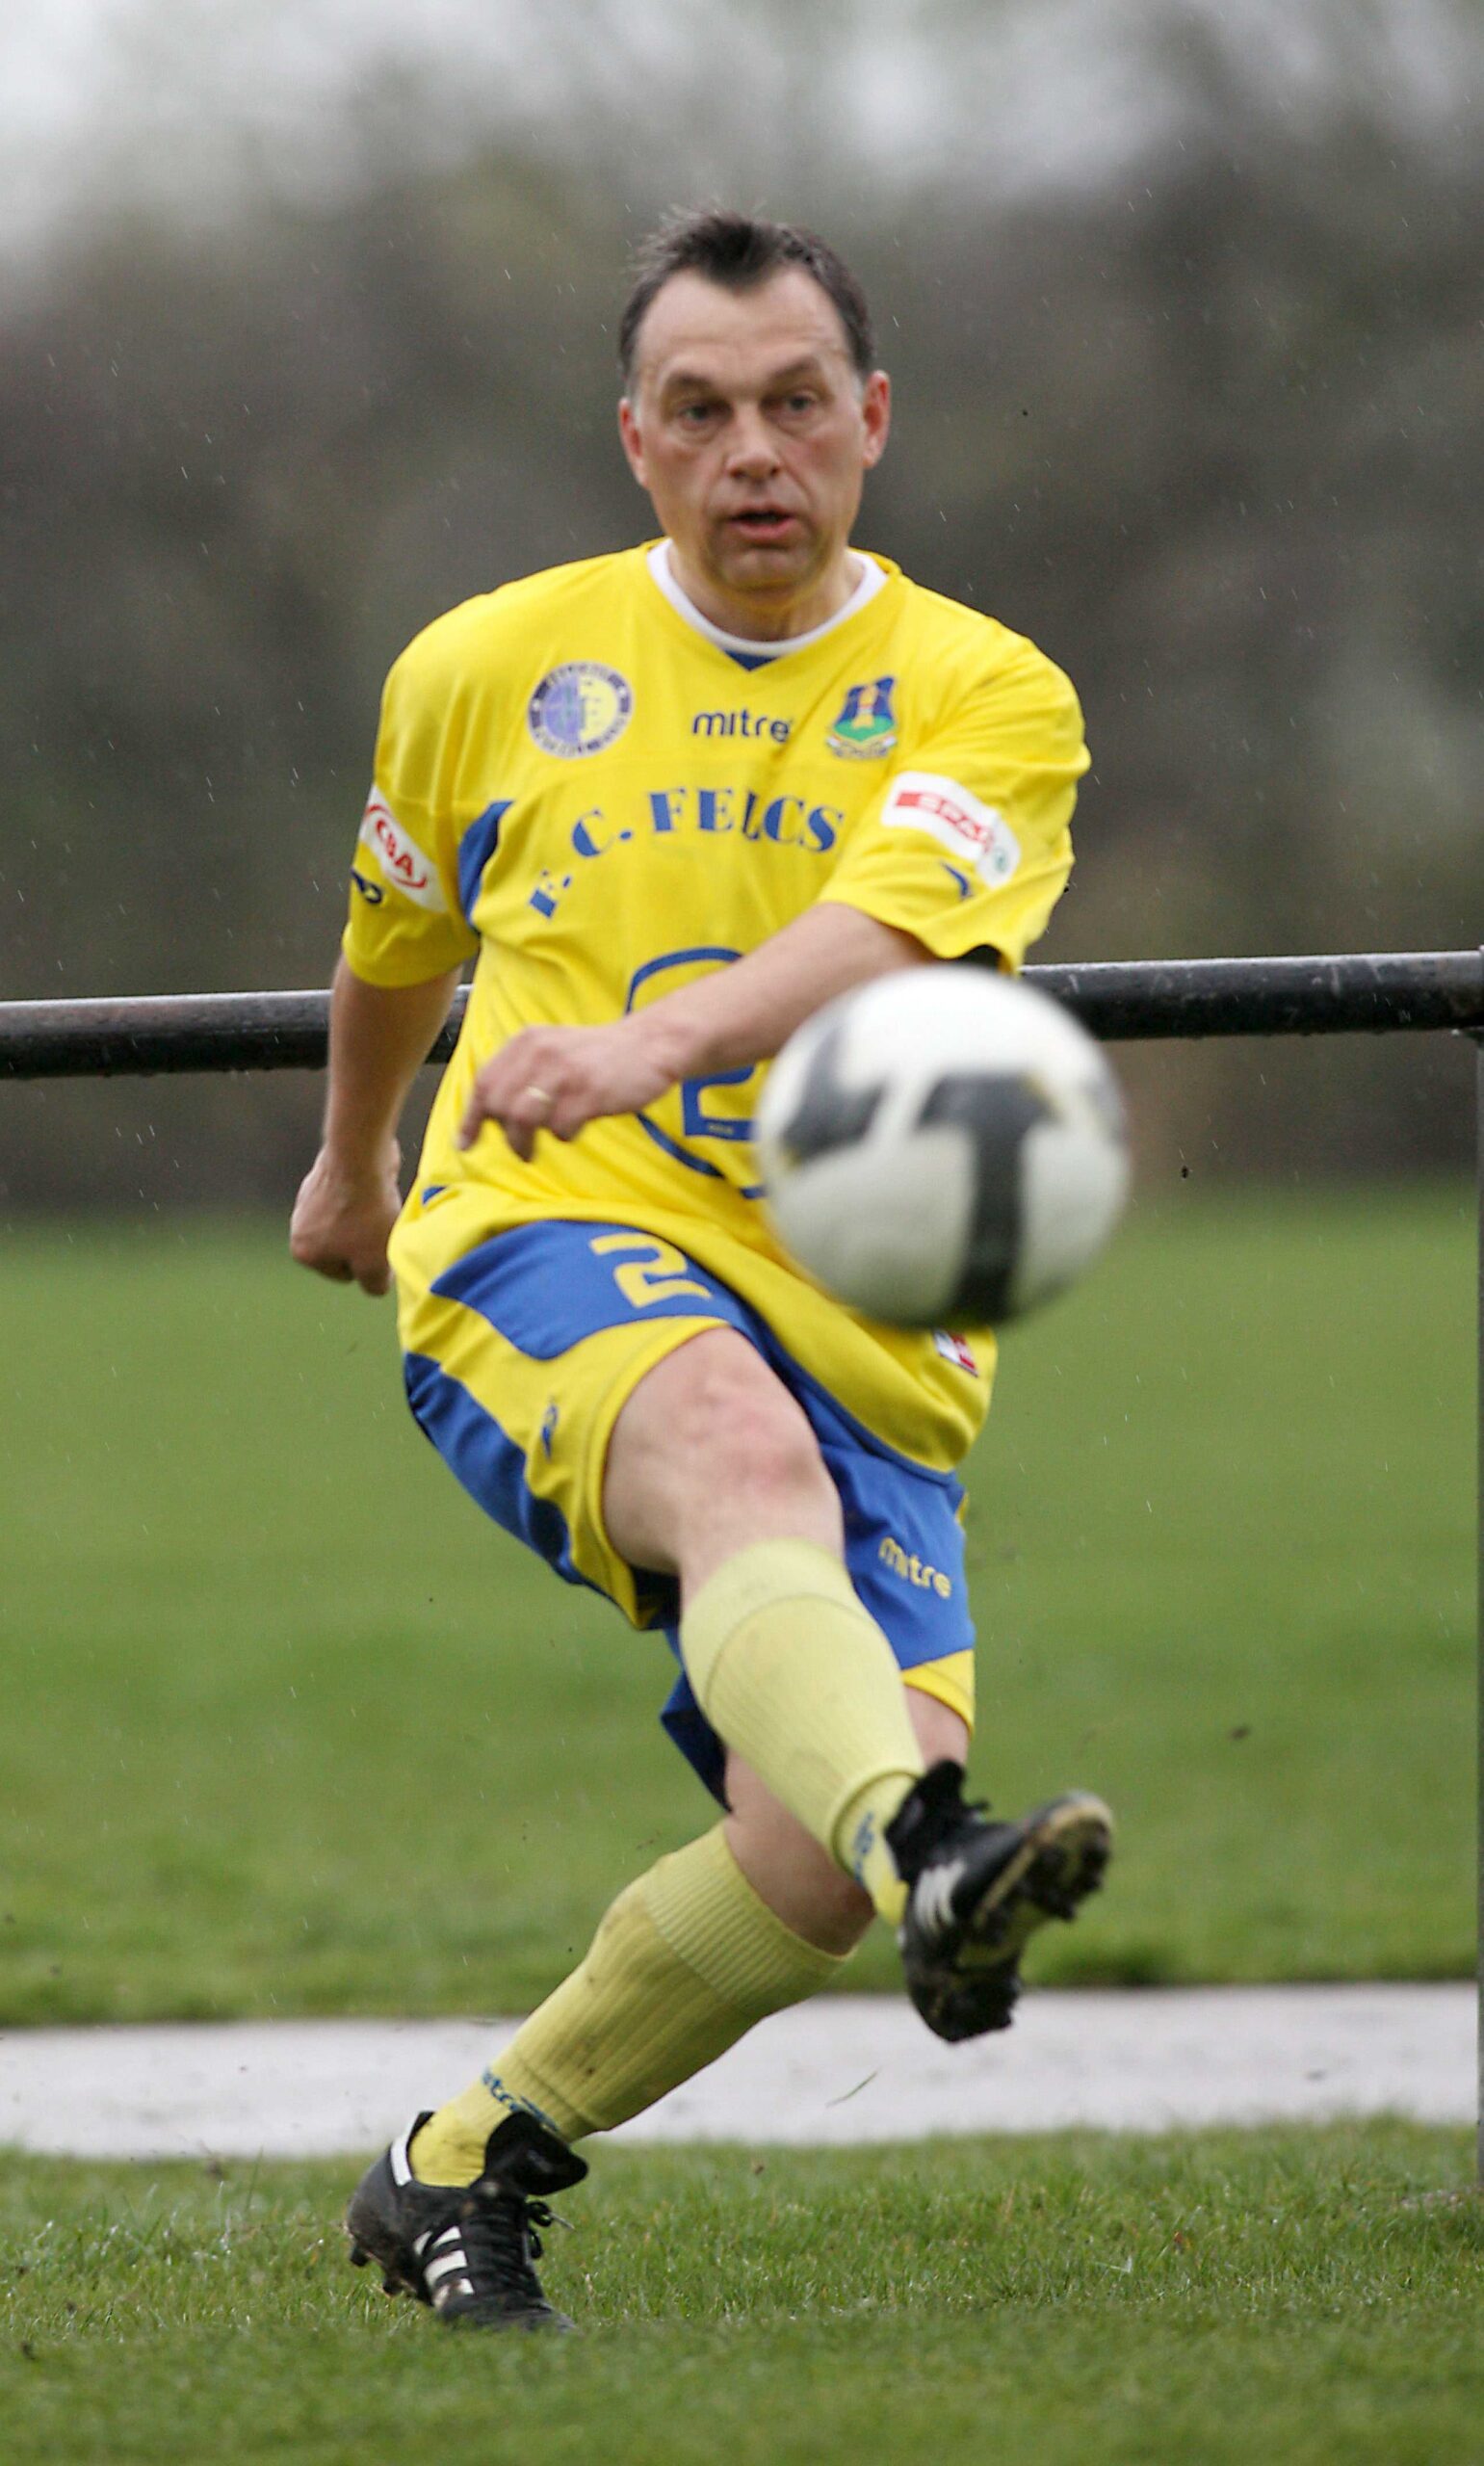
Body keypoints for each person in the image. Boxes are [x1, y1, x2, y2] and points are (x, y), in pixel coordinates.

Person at [290, 208, 1112, 2334]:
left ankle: (461, 2154)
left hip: (874, 1325)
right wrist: (354, 1158)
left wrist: (666, 1031)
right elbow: (398, 936)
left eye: (796, 402)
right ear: (633, 441)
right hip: (550, 1223)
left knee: (801, 1867)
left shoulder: (989, 692)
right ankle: (946, 1840)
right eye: (702, 410)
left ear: (874, 421)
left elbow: (887, 928)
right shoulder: (485, 666)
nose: (756, 448)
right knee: (737, 1459)